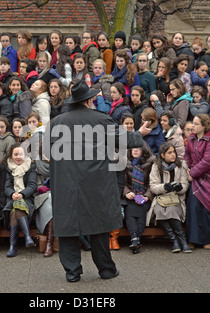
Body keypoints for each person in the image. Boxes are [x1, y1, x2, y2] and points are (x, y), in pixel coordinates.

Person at [44, 80, 149, 282]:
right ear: (89, 100)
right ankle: (106, 270)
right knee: (99, 226)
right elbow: (128, 141)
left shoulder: (57, 122)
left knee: (68, 228)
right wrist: (140, 133)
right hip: (96, 183)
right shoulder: (101, 119)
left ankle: (72, 272)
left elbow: (47, 152)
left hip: (66, 184)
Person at [184, 114, 210, 249]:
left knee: (206, 207)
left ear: (204, 126)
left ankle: (206, 239)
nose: (192, 127)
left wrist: (193, 173)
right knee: (193, 205)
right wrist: (189, 169)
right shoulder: (191, 139)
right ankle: (193, 239)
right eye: (192, 123)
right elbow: (187, 156)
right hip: (196, 176)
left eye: (196, 124)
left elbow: (208, 161)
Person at [148, 142, 191, 253]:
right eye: (169, 153)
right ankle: (175, 241)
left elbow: (185, 185)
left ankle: (182, 241)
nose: (173, 155)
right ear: (162, 155)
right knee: (158, 210)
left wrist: (180, 187)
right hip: (161, 198)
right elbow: (153, 186)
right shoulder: (156, 166)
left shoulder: (181, 165)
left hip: (176, 198)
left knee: (172, 210)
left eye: (174, 152)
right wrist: (165, 187)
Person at [3, 143, 38, 257]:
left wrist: (22, 194)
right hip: (12, 198)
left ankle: (13, 246)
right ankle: (27, 237)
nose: (18, 157)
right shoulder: (8, 168)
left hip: (27, 199)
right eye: (15, 154)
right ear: (11, 155)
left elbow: (32, 186)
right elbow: (7, 187)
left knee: (16, 211)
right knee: (16, 207)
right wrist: (13, 194)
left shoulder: (31, 166)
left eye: (21, 154)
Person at [123, 143, 156, 254]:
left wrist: (147, 196)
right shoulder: (124, 163)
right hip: (130, 196)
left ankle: (135, 239)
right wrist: (127, 192)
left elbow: (153, 183)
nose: (135, 150)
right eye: (133, 148)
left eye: (138, 149)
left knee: (140, 210)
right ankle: (136, 239)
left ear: (144, 151)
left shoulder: (151, 163)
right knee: (130, 211)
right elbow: (121, 183)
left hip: (144, 195)